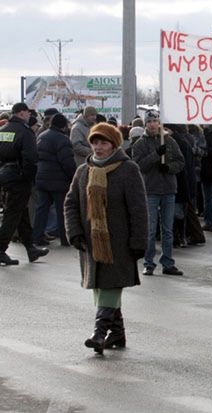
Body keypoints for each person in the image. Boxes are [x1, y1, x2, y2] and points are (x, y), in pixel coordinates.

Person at [64, 123, 148, 354]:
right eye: (94, 142)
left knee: (110, 286)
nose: (98, 147)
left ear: (114, 144)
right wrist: (75, 232)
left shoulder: (128, 169)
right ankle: (117, 333)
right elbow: (70, 203)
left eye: (104, 143)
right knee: (100, 287)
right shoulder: (84, 170)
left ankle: (99, 333)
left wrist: (139, 241)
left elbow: (138, 209)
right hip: (91, 242)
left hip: (118, 243)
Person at [132, 110, 185, 276]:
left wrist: (169, 168)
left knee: (167, 230)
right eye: (149, 122)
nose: (153, 124)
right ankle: (149, 263)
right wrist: (156, 155)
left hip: (168, 189)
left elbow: (180, 161)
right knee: (150, 230)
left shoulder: (169, 141)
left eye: (155, 121)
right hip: (151, 191)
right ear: (145, 124)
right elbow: (139, 165)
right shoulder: (140, 144)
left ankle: (168, 262)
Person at [0, 102, 49, 265]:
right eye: (28, 113)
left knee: (21, 213)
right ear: (21, 113)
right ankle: (0, 249)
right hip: (19, 177)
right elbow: (30, 158)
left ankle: (30, 248)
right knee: (13, 213)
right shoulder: (25, 131)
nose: (29, 115)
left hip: (5, 175)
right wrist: (28, 176)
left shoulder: (3, 130)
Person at [32, 113, 76, 246]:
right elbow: (67, 162)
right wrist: (73, 177)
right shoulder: (62, 139)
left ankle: (37, 236)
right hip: (58, 181)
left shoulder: (42, 136)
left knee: (41, 209)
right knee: (62, 210)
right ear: (63, 125)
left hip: (41, 178)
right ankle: (65, 238)